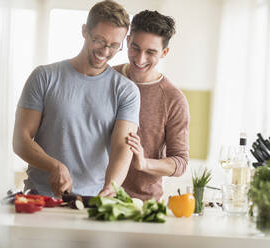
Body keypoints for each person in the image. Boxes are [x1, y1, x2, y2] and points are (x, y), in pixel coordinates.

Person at [13, 0, 140, 197]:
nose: (105, 52)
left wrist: (111, 186)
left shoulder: (126, 91)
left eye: (114, 45)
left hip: (92, 201)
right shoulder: (44, 76)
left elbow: (122, 147)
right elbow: (21, 140)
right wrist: (54, 165)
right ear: (84, 31)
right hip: (40, 198)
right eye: (99, 40)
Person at [113, 10, 190, 201]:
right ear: (128, 40)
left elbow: (180, 162)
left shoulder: (173, 99)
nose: (140, 59)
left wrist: (144, 163)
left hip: (141, 203)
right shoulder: (106, 79)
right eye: (135, 48)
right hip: (91, 195)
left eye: (151, 52)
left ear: (164, 53)